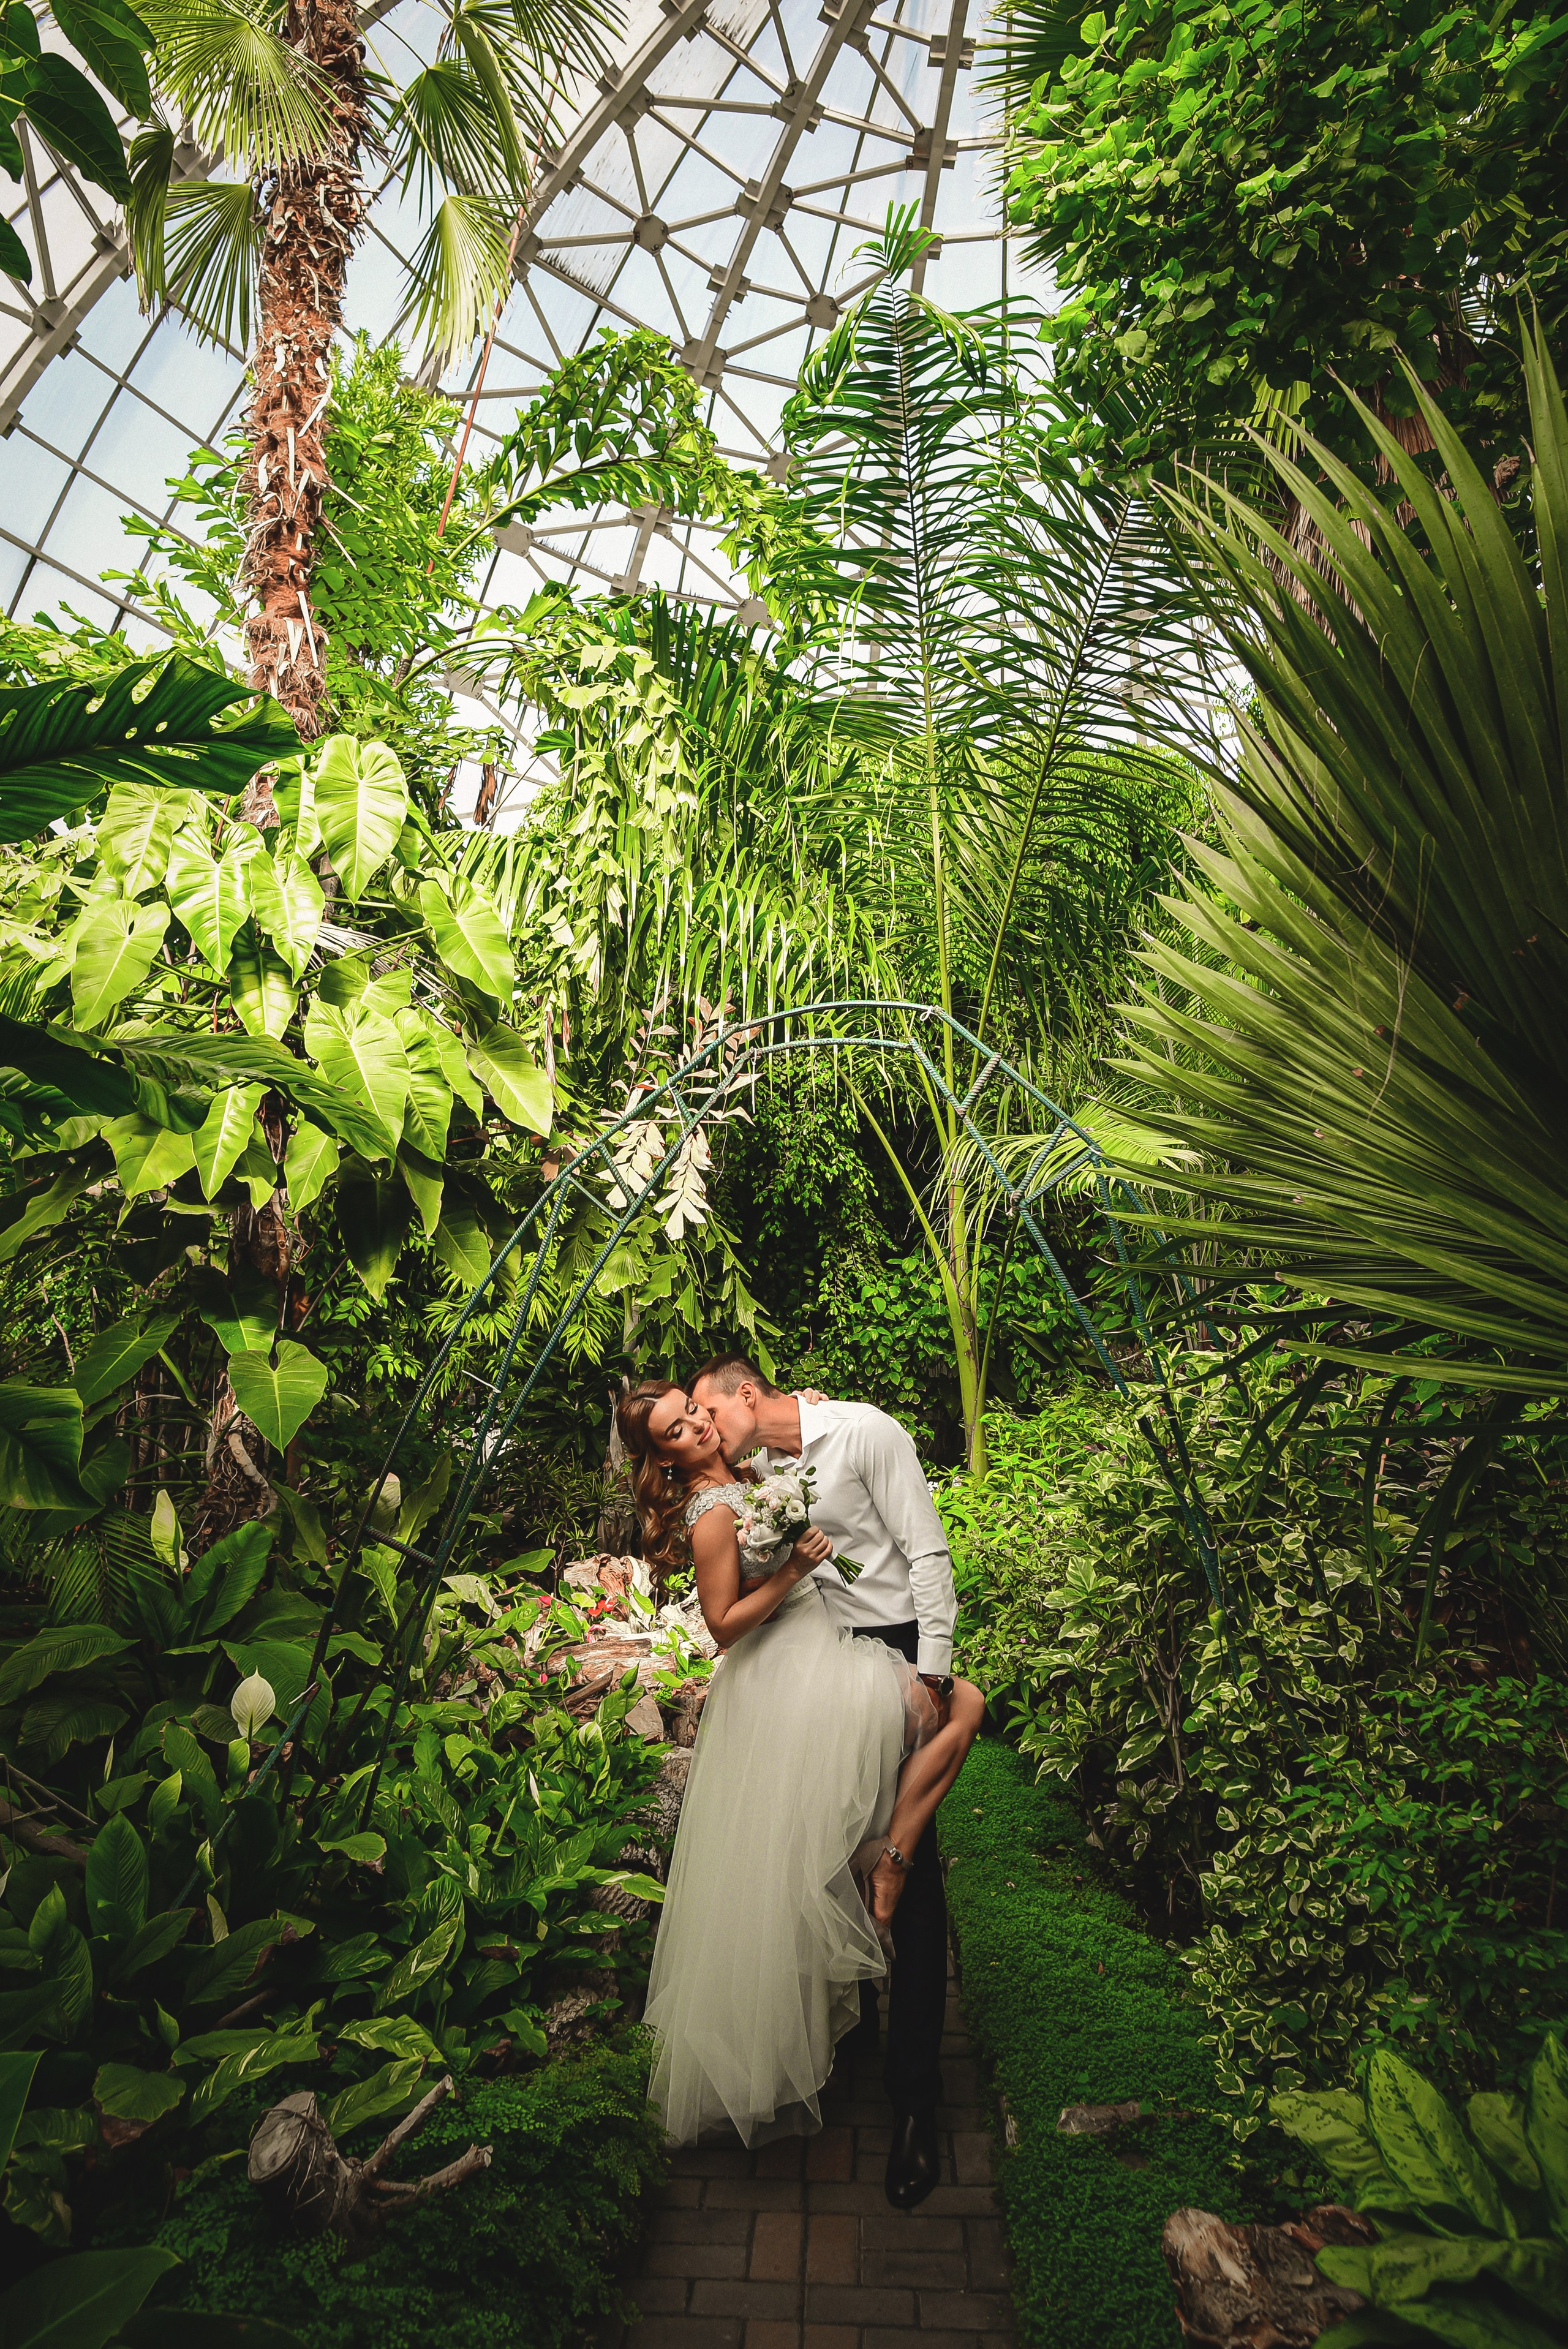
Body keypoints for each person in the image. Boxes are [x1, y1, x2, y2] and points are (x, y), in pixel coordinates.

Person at [617, 1375, 982, 2201]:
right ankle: (839, 2017)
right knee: (800, 1865)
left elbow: (802, 1455)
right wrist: (790, 1572)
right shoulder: (712, 1510)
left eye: (695, 1411)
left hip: (843, 1651)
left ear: (728, 1401)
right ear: (662, 1458)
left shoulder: (770, 1461)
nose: (698, 1427)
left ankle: (910, 2094)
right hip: (792, 1671)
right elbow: (721, 1623)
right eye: (677, 1430)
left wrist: (804, 1419)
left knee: (903, 1826)